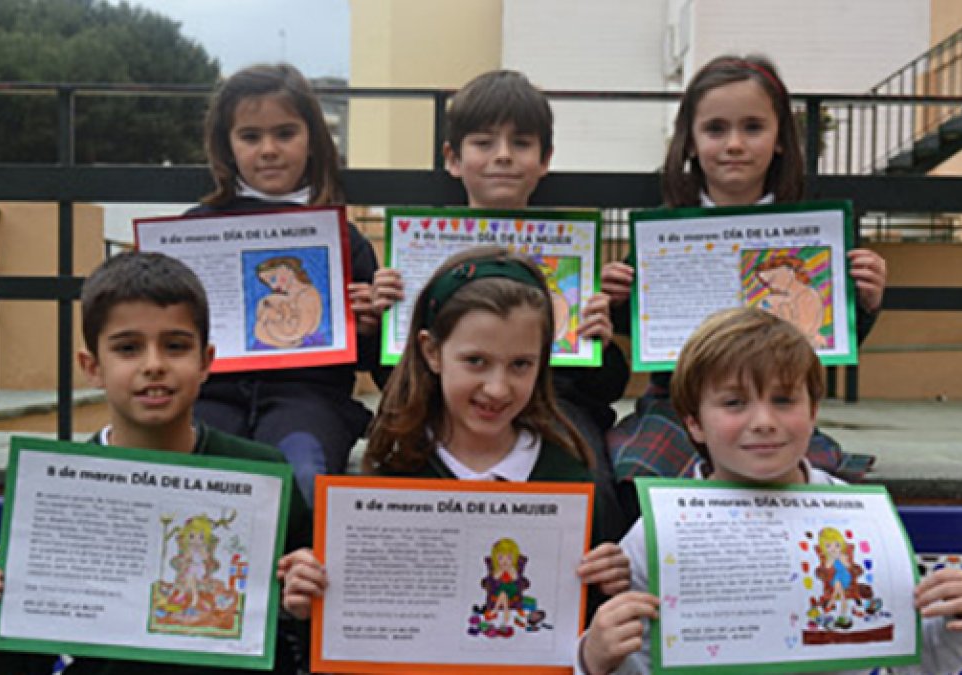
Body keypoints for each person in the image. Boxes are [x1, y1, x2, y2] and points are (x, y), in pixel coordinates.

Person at [0, 252, 311, 675]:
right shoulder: (56, 490)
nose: (154, 365)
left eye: (175, 346)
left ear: (206, 361)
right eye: (128, 348)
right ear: (92, 367)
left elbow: (302, 636)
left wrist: (305, 606)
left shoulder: (261, 475)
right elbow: (24, 668)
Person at [577, 307, 962, 675]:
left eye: (783, 400)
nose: (763, 420)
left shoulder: (858, 522)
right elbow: (640, 665)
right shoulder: (659, 532)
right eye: (734, 403)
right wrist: (597, 657)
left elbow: (921, 658)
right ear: (694, 423)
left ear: (813, 410)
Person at [603, 55, 888, 518]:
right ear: (690, 142)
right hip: (676, 406)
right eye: (716, 129)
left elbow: (825, 340)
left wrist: (866, 303)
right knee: (637, 470)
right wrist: (617, 301)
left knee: (808, 477)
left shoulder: (814, 236)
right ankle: (655, 576)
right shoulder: (663, 234)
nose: (734, 144)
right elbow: (641, 334)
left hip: (770, 405)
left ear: (779, 140)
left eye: (752, 127)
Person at [281, 248, 631, 625]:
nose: (497, 389)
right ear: (432, 351)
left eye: (520, 365)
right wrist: (313, 607)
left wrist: (607, 590)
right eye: (476, 361)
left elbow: (579, 636)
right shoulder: (392, 471)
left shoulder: (572, 477)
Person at [370, 70, 632, 539]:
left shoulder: (576, 252)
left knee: (594, 485)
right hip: (442, 401)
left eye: (522, 143)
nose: (503, 156)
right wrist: (382, 321)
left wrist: (600, 339)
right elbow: (392, 375)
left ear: (545, 159)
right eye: (484, 142)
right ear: (453, 158)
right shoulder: (418, 248)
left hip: (557, 408)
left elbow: (602, 387)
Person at [189, 63, 387, 505]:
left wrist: (370, 326)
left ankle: (299, 572)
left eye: (285, 133)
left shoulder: (344, 239)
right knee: (197, 483)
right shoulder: (194, 231)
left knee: (303, 479)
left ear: (313, 141)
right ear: (227, 145)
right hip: (211, 395)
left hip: (309, 398)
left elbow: (376, 366)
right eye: (251, 137)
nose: (269, 150)